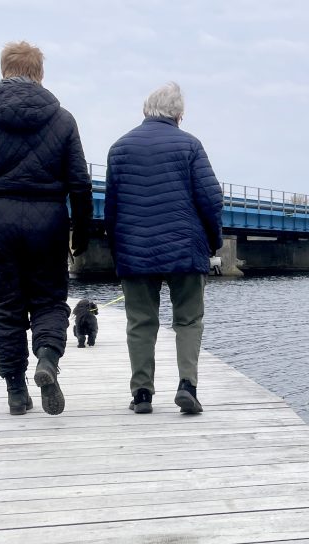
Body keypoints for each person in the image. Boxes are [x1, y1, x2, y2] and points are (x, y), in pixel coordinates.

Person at [0, 41, 93, 416]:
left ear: (4, 69)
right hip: (49, 222)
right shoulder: (63, 119)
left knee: (8, 307)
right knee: (48, 300)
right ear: (39, 73)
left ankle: (15, 389)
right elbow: (79, 181)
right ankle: (46, 359)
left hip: (3, 220)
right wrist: (82, 227)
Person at [105, 82, 223, 414]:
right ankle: (187, 386)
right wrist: (213, 242)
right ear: (179, 114)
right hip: (185, 249)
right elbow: (211, 199)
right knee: (188, 321)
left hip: (135, 250)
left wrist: (117, 249)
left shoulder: (119, 148)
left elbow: (111, 208)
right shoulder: (190, 146)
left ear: (146, 110)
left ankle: (142, 393)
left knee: (141, 322)